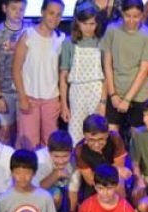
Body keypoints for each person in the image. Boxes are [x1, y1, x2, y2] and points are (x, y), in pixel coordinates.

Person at [12, 0, 65, 150]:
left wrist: (60, 99)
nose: (54, 18)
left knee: (50, 142)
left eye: (58, 15)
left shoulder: (61, 39)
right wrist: (22, 97)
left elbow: (62, 72)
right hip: (29, 97)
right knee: (28, 142)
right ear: (42, 12)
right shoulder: (28, 35)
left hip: (51, 99)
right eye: (51, 13)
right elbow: (16, 68)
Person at [104, 0, 148, 136]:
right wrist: (113, 95)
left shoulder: (147, 35)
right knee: (112, 136)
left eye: (136, 16)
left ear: (142, 15)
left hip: (139, 94)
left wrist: (127, 99)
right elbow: (108, 65)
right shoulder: (112, 30)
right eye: (128, 16)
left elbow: (143, 71)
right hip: (116, 90)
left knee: (137, 136)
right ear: (122, 13)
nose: (132, 20)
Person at [0, 0, 31, 143]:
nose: (18, 13)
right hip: (4, 91)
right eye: (14, 8)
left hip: (25, 91)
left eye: (21, 9)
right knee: (4, 133)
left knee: (24, 134)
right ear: (5, 8)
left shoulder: (30, 31)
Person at [60, 4, 107, 145]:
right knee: (76, 131)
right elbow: (63, 75)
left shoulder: (101, 42)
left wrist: (103, 102)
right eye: (84, 23)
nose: (88, 27)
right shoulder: (69, 43)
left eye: (92, 23)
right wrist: (64, 105)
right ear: (78, 23)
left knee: (96, 131)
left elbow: (106, 75)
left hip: (96, 89)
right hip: (76, 91)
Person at [74, 114, 132, 202]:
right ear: (85, 136)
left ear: (107, 134)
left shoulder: (115, 138)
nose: (96, 144)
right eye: (91, 140)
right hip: (95, 187)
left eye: (101, 139)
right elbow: (90, 180)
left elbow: (119, 171)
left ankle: (122, 211)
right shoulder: (80, 150)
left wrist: (117, 170)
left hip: (114, 183)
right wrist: (115, 169)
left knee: (119, 181)